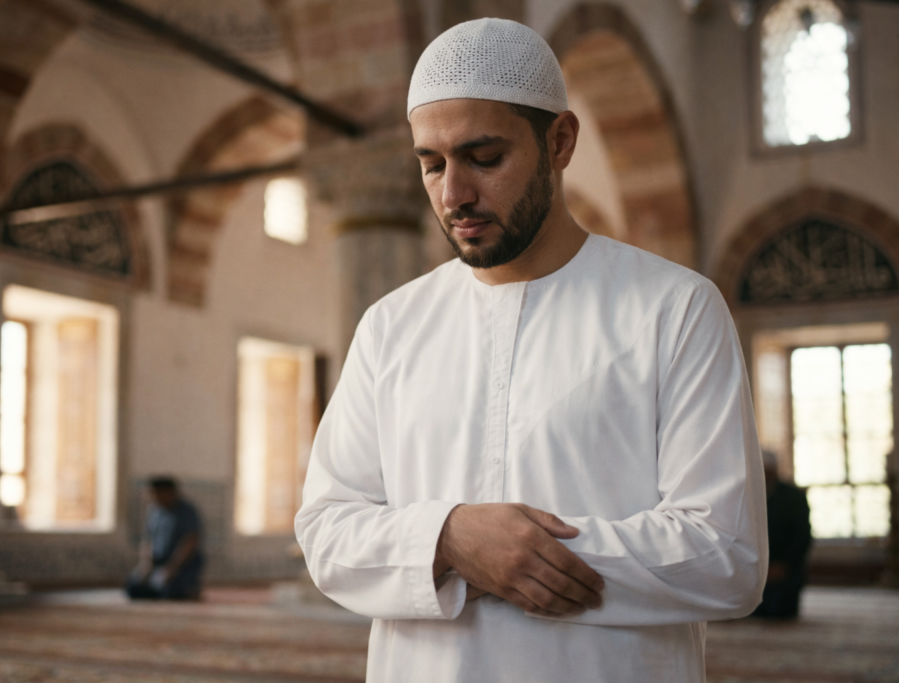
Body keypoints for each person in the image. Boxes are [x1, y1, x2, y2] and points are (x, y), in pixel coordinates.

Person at [295, 18, 768, 683]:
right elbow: (327, 530)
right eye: (432, 164)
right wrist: (450, 538)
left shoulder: (674, 309)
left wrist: (512, 553)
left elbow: (727, 556)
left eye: (484, 157)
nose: (453, 193)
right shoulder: (390, 326)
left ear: (560, 141)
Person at [751, 450, 811, 619]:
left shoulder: (793, 497)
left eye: (767, 471)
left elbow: (802, 536)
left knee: (778, 612)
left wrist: (783, 565)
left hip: (784, 567)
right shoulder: (746, 495)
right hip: (753, 565)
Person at [126, 476, 204, 600]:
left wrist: (171, 568)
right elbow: (147, 540)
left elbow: (190, 541)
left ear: (169, 492)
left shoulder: (187, 511)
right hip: (157, 561)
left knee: (171, 591)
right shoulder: (154, 510)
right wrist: (146, 565)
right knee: (133, 587)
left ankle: (189, 589)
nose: (153, 497)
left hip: (181, 564)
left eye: (156, 493)